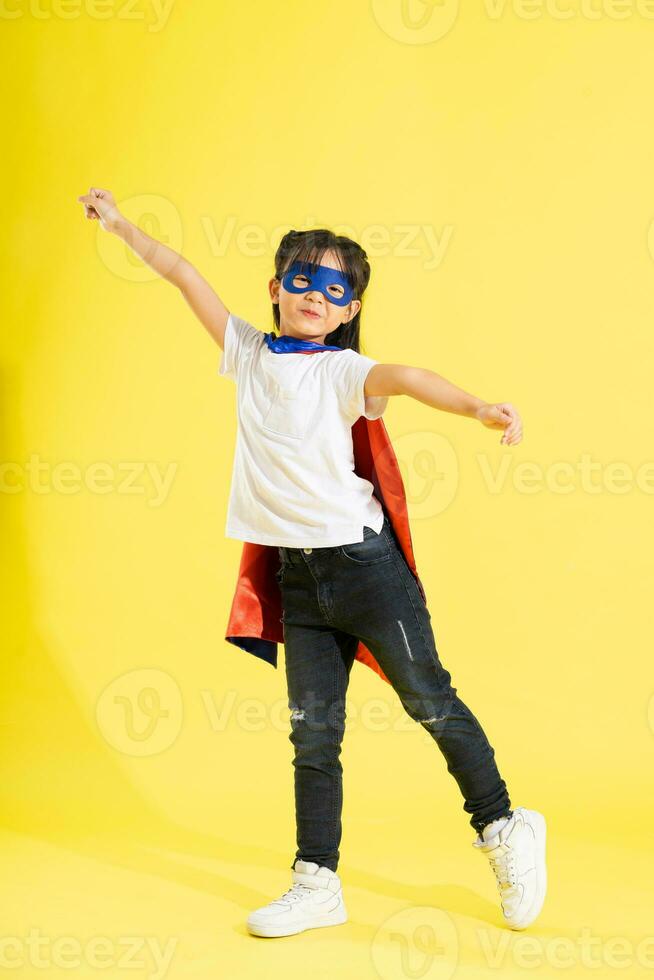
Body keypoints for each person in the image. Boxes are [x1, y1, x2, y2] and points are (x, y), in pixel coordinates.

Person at [78, 187, 547, 937]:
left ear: (349, 308)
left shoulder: (342, 373)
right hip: (300, 579)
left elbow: (408, 378)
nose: (316, 296)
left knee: (428, 700)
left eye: (336, 289)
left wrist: (479, 408)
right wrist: (123, 226)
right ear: (276, 287)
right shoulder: (247, 352)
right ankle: (316, 881)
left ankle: (505, 827)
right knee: (313, 731)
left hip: (367, 570)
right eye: (303, 278)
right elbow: (183, 274)